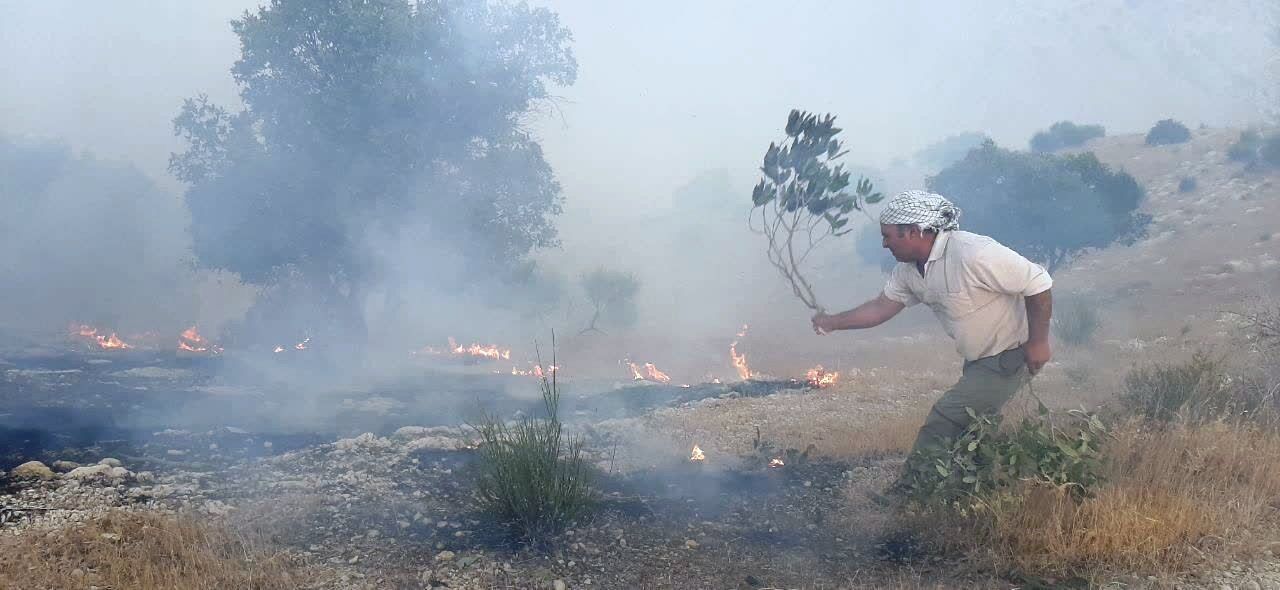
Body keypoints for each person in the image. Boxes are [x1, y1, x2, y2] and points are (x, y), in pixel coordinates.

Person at [811, 190, 1053, 501]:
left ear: (913, 232)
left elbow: (1038, 283)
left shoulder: (972, 252)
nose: (884, 244)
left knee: (945, 418)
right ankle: (973, 495)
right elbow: (881, 307)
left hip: (1009, 355)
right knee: (975, 431)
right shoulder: (909, 270)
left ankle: (908, 494)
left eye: (888, 236)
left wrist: (1038, 342)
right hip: (978, 361)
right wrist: (832, 322)